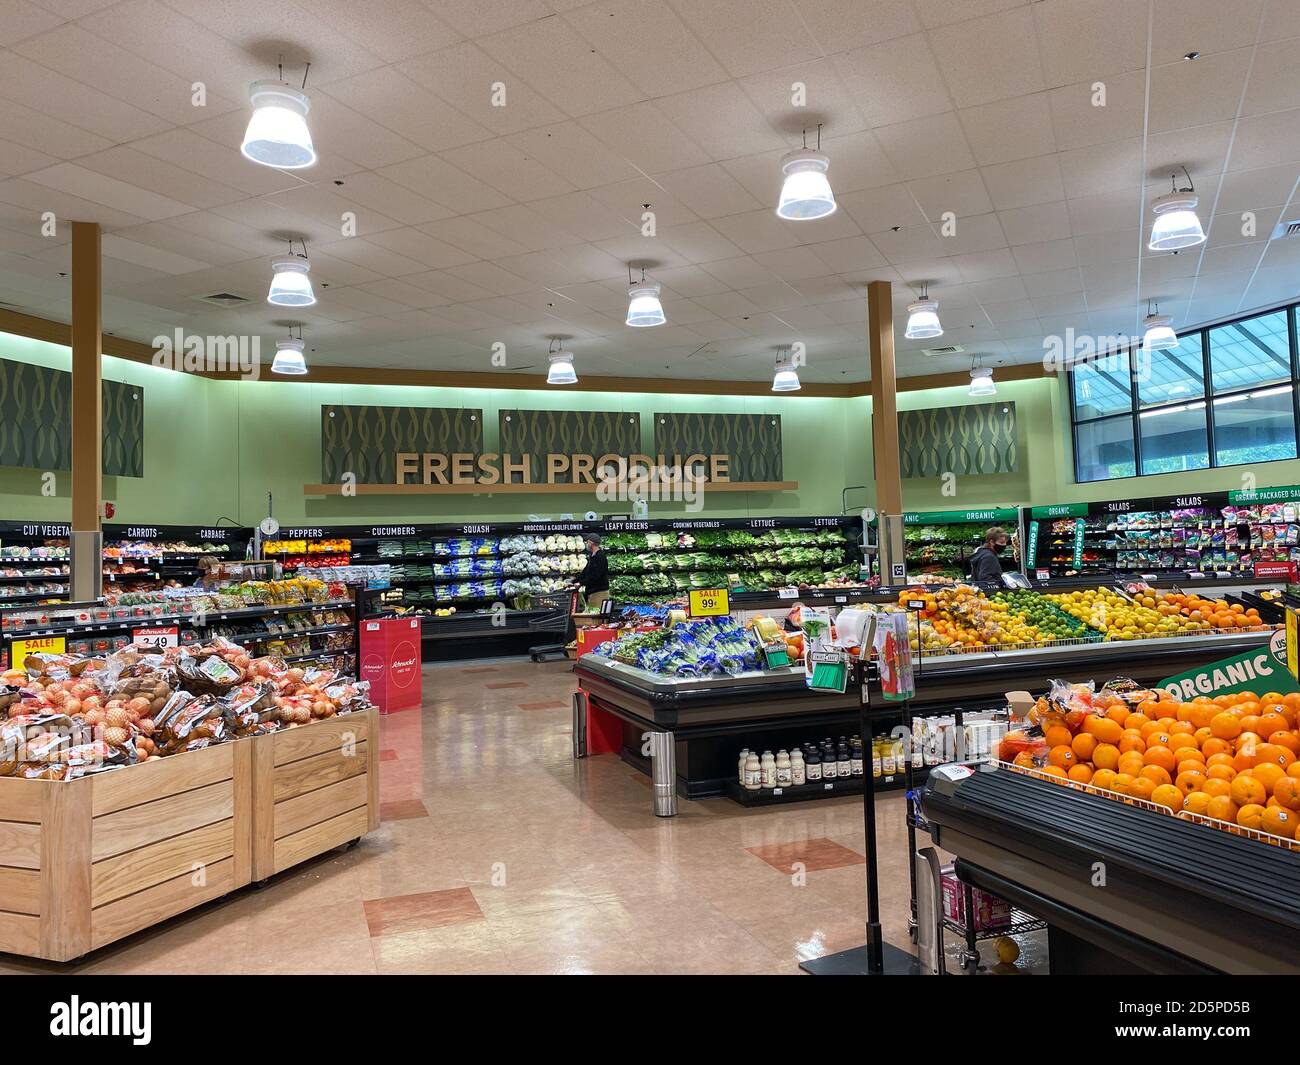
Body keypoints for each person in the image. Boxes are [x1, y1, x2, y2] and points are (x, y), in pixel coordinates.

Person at [577, 532, 609, 611]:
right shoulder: (593, 555)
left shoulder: (600, 556)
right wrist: (575, 581)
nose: (586, 544)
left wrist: (581, 583)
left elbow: (595, 576)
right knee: (590, 614)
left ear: (591, 543)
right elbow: (586, 571)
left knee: (595, 615)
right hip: (592, 591)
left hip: (599, 592)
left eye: (587, 542)